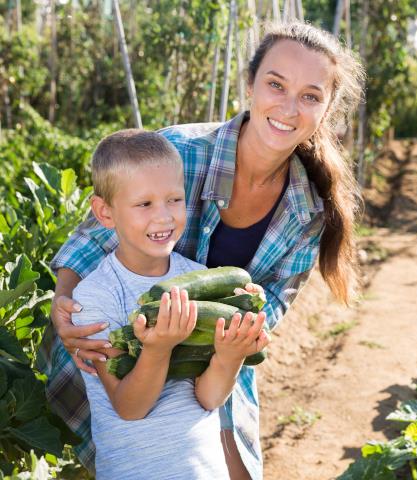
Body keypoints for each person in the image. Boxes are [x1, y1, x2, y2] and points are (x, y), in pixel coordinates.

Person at [40, 21, 365, 480]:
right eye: (276, 84)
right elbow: (94, 235)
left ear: (328, 107)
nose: (289, 107)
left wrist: (230, 343)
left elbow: (267, 305)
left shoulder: (306, 211)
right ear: (250, 84)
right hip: (117, 343)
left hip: (210, 361)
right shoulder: (177, 151)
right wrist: (63, 299)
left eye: (311, 95)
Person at [71, 129, 269, 479]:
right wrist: (158, 348)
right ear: (104, 212)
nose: (163, 216)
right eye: (144, 204)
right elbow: (129, 406)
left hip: (204, 469)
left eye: (174, 200)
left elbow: (208, 399)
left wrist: (229, 356)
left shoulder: (200, 280)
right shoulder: (94, 296)